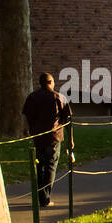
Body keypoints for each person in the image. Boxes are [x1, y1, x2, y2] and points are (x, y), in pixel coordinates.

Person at [21, 72, 72, 208]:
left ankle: (41, 196)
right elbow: (67, 120)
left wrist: (29, 130)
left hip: (38, 138)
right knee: (50, 167)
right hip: (54, 138)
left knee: (39, 167)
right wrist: (70, 139)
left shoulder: (32, 97)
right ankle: (45, 199)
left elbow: (27, 116)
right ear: (51, 82)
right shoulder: (59, 97)